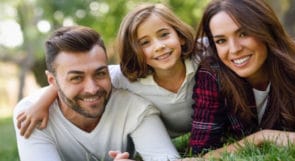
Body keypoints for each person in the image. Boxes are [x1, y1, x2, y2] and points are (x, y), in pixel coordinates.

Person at [16, 3, 197, 139]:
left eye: (164, 35)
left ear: (180, 36)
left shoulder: (202, 59)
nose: (159, 46)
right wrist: (42, 103)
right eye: (145, 42)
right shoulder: (125, 77)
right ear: (134, 50)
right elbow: (79, 80)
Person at [13, 25, 180, 161]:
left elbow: (166, 158)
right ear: (52, 81)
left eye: (100, 73)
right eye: (76, 78)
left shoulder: (136, 108)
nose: (92, 89)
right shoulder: (31, 115)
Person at [189, 0, 295, 158]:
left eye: (244, 33)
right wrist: (261, 137)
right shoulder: (213, 74)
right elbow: (201, 152)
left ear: (266, 29)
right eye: (221, 40)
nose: (234, 49)